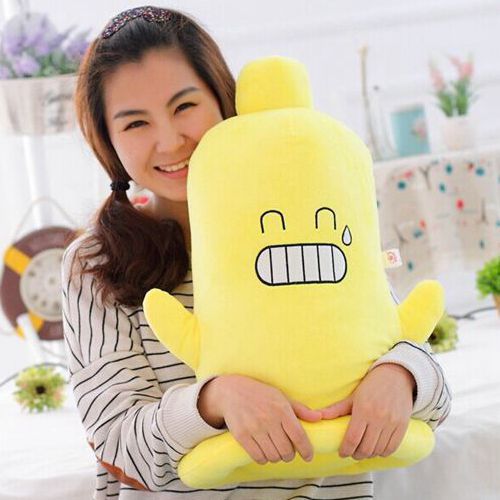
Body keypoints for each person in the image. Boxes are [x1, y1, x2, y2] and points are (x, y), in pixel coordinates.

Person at [62, 6, 451, 499]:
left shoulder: (306, 213)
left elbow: (429, 388)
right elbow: (118, 446)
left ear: (224, 101)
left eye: (185, 106)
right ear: (109, 143)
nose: (169, 140)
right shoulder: (95, 263)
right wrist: (213, 402)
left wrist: (400, 376)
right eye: (136, 123)